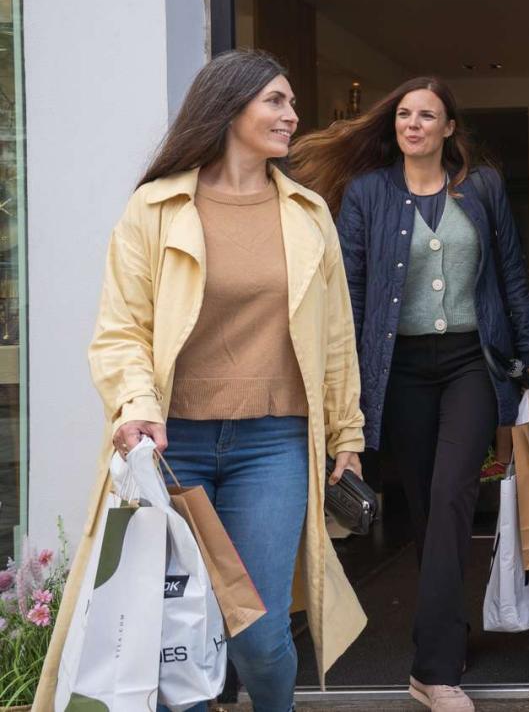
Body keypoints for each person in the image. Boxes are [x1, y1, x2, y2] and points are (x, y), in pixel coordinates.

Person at [35, 50, 367, 712]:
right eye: (276, 100)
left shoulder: (307, 215)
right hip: (170, 448)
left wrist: (346, 434)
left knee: (263, 634)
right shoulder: (155, 210)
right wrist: (134, 406)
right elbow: (121, 328)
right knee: (169, 636)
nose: (292, 115)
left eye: (291, 102)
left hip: (272, 445)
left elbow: (336, 339)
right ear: (229, 107)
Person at [290, 76, 529, 712]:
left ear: (449, 127)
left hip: (468, 363)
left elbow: (512, 274)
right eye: (404, 114)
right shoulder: (369, 194)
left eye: (427, 115)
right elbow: (347, 289)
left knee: (455, 494)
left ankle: (433, 672)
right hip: (397, 369)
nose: (413, 124)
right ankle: (449, 632)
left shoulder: (480, 189)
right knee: (429, 511)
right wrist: (338, 379)